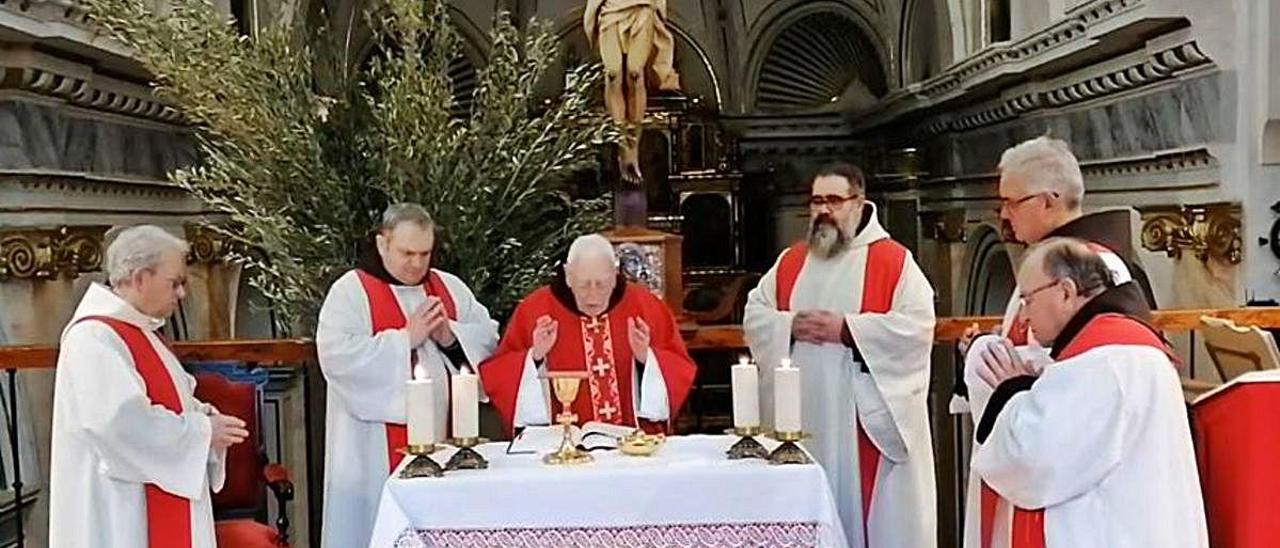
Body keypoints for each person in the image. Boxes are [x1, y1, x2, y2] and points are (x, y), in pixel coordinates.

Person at [959, 137, 1160, 548]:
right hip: (1034, 457)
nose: (1004, 213)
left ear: (1048, 200)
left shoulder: (1096, 268)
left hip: (1073, 490)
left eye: (1013, 201)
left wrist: (1005, 375)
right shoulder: (1046, 263)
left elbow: (1086, 382)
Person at [743, 163, 937, 547]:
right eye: (816, 201)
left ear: (860, 203)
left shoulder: (893, 261)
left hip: (859, 419)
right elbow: (755, 314)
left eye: (834, 200)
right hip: (801, 413)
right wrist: (789, 325)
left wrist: (848, 330)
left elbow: (917, 328)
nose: (823, 211)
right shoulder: (791, 262)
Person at [971, 238, 1207, 548]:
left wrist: (1011, 390)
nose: (1024, 317)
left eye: (1028, 300)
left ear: (1066, 291)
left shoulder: (1101, 361)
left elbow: (1034, 460)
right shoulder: (1124, 346)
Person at [50, 225, 248, 548]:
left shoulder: (143, 332)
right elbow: (118, 423)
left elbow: (172, 400)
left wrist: (203, 415)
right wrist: (201, 431)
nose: (182, 294)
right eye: (176, 282)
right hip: (122, 510)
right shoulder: (94, 338)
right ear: (140, 278)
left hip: (146, 501)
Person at [316, 203, 498, 548]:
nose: (417, 263)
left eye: (425, 253)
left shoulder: (450, 287)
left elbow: (488, 340)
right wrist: (405, 340)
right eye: (407, 253)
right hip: (368, 452)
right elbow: (337, 358)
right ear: (383, 243)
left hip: (444, 446)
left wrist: (450, 337)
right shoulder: (350, 291)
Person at [480, 234, 695, 433]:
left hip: (631, 445)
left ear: (614, 275)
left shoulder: (645, 307)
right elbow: (500, 374)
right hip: (564, 446)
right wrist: (534, 356)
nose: (593, 296)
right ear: (568, 276)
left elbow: (680, 368)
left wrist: (646, 359)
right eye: (584, 285)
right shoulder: (535, 310)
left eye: (601, 284)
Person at [584, 0, 680, 184]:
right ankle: (622, 147)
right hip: (610, 7)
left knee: (635, 74)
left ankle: (632, 149)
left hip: (642, 7)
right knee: (612, 74)